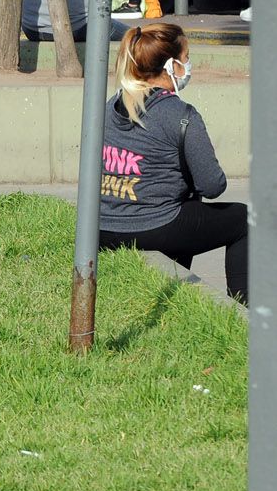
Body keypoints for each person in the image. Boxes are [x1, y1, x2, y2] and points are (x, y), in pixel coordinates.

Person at [98, 24, 248, 305]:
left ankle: (171, 299)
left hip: (103, 228)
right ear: (171, 65)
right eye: (186, 57)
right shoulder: (181, 114)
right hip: (153, 228)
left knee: (186, 205)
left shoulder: (110, 105)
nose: (188, 65)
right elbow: (213, 185)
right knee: (244, 221)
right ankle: (243, 312)